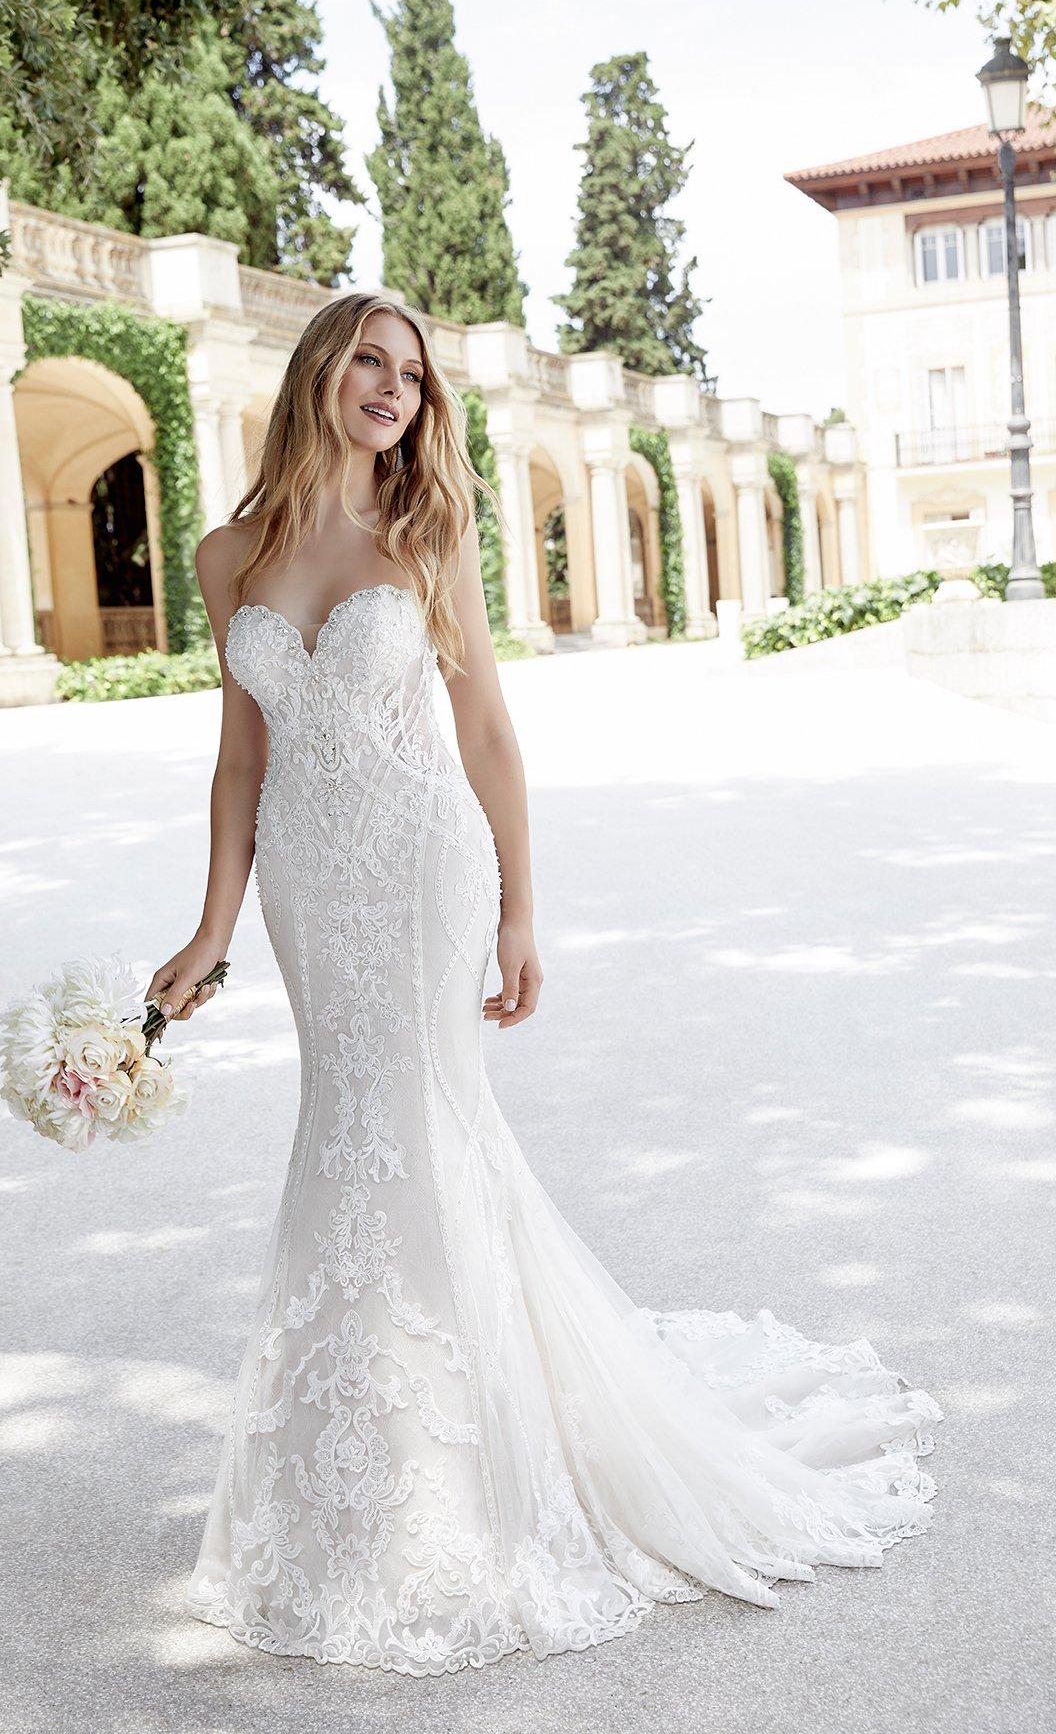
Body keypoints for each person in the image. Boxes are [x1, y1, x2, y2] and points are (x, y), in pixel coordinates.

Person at [148, 291, 943, 1678]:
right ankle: (357, 1469)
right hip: (309, 893)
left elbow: (490, 730)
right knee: (343, 1139)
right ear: (319, 370)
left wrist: (523, 908)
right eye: (371, 363)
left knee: (414, 1139)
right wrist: (210, 928)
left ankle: (460, 1481)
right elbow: (238, 761)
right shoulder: (229, 553)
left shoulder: (428, 529)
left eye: (413, 374)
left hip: (421, 871)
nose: (394, 389)